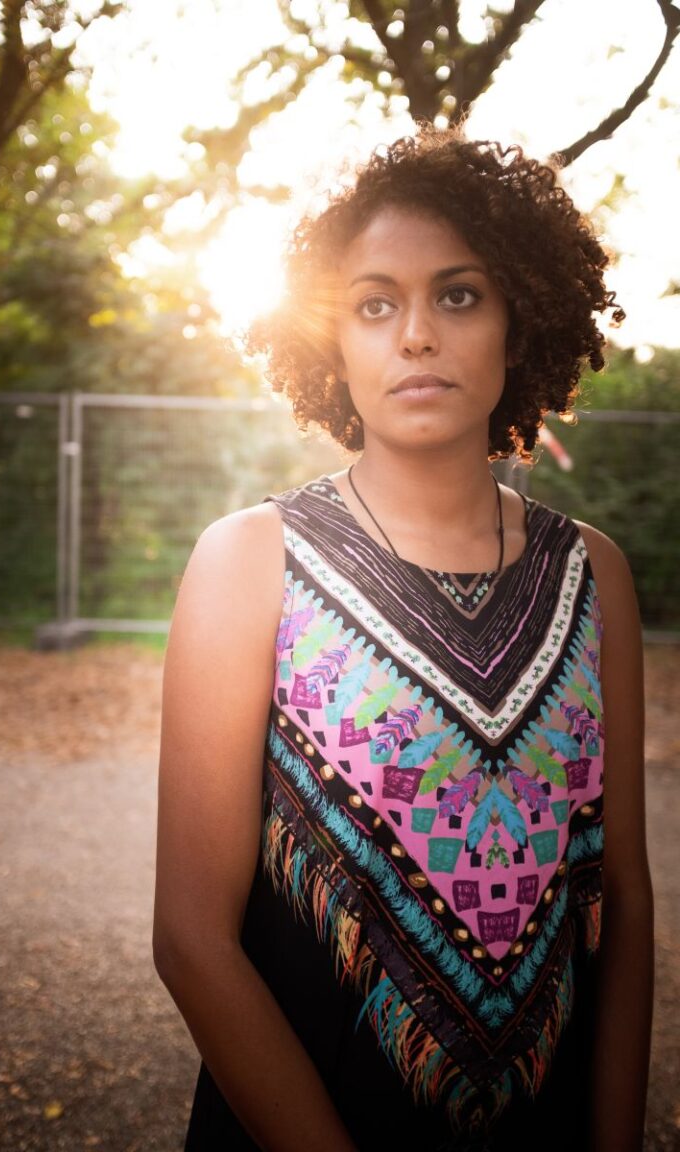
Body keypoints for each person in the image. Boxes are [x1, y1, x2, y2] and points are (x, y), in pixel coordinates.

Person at [152, 125, 654, 1152]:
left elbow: (627, 909)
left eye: (458, 295)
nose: (415, 334)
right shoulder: (250, 562)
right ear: (331, 342)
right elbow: (191, 942)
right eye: (374, 304)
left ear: (520, 327)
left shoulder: (592, 573)